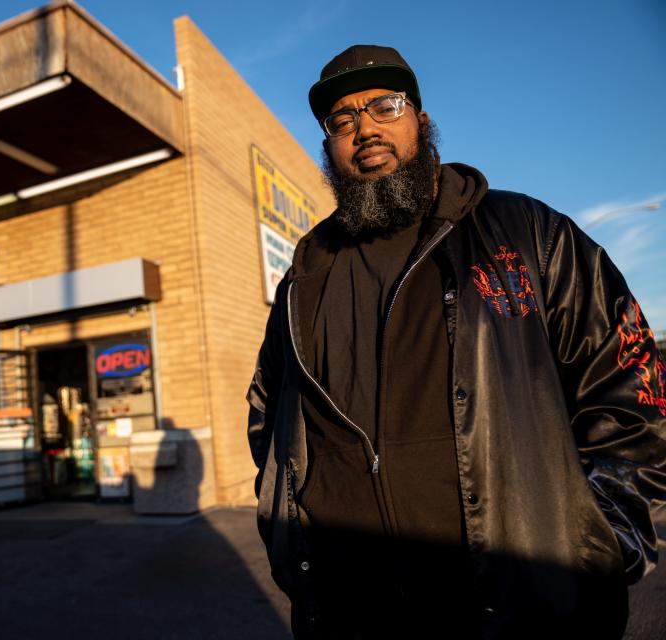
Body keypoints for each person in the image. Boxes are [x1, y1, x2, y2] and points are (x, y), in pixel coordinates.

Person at [247, 45, 666, 639]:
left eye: (384, 106)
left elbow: (630, 387)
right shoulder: (303, 279)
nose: (363, 128)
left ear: (420, 119)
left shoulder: (525, 234)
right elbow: (269, 410)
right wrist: (284, 527)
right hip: (349, 611)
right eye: (340, 120)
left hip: (520, 609)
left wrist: (601, 542)